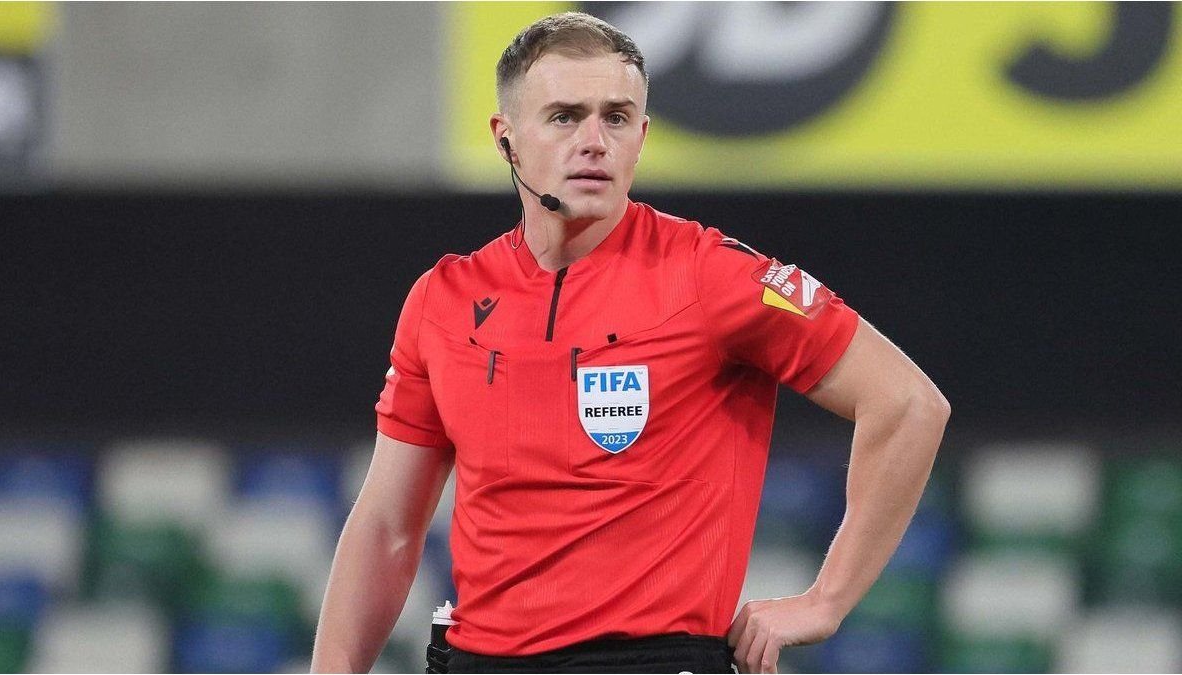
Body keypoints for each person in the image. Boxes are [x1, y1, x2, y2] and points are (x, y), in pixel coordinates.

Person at [312, 11, 949, 674]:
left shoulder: (710, 275)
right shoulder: (443, 300)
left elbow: (908, 404)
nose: (594, 141)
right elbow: (387, 527)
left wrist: (826, 600)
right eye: (565, 117)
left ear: (641, 136)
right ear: (507, 140)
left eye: (616, 118)